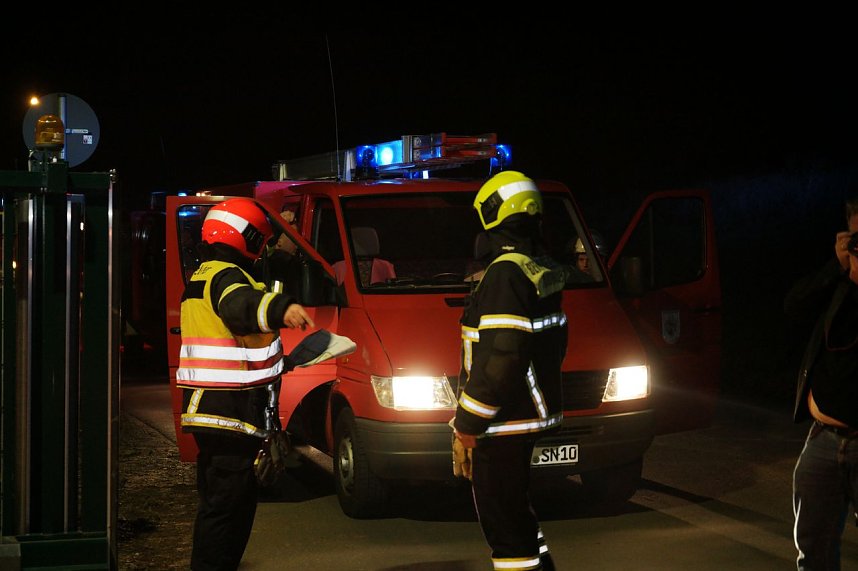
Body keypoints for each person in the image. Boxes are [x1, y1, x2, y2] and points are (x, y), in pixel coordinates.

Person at [176, 197, 315, 571]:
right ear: (245, 235)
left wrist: (283, 363)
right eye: (261, 240)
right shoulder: (227, 276)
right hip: (228, 414)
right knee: (226, 513)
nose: (262, 248)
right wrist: (279, 308)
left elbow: (237, 347)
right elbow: (239, 306)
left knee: (225, 508)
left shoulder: (205, 273)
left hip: (217, 412)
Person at [452, 170, 568, 571]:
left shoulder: (505, 272)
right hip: (526, 414)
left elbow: (502, 355)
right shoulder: (539, 266)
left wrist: (467, 422)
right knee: (518, 514)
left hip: (501, 423)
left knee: (505, 528)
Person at [785, 194, 858, 570]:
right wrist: (837, 266)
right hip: (824, 439)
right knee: (813, 551)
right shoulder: (839, 282)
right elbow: (793, 307)